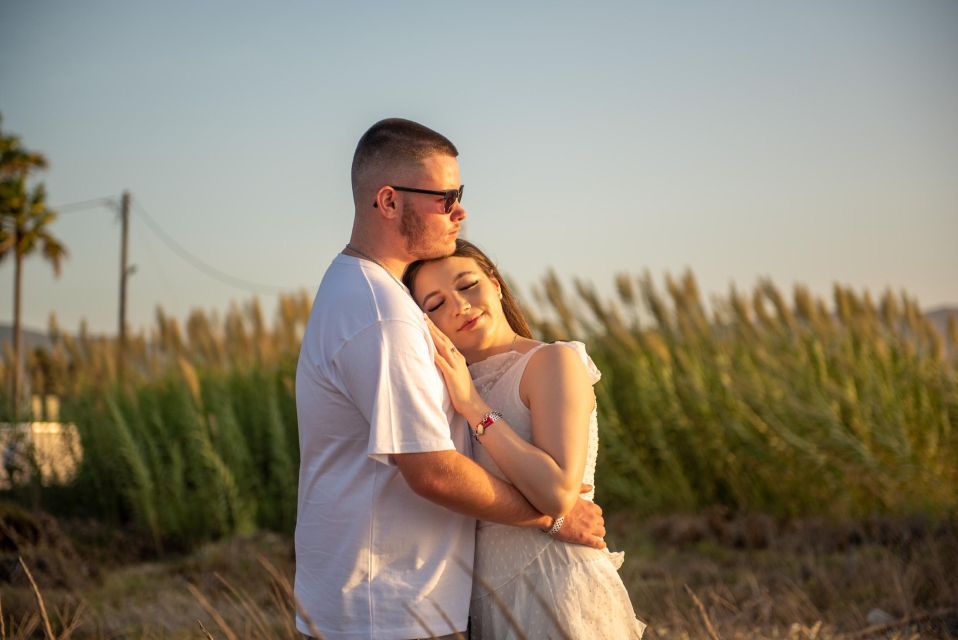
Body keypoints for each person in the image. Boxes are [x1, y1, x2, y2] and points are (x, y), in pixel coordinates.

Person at [294, 118, 607, 640]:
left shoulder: (358, 291)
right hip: (390, 612)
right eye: (444, 196)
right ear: (389, 201)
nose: (459, 210)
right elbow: (432, 471)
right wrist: (551, 517)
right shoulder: (383, 315)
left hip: (397, 602)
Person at [404, 239, 647, 639]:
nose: (460, 306)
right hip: (484, 595)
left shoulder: (551, 362)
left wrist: (473, 406)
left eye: (467, 286)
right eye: (435, 304)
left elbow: (557, 494)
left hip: (555, 585)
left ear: (496, 284)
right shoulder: (439, 391)